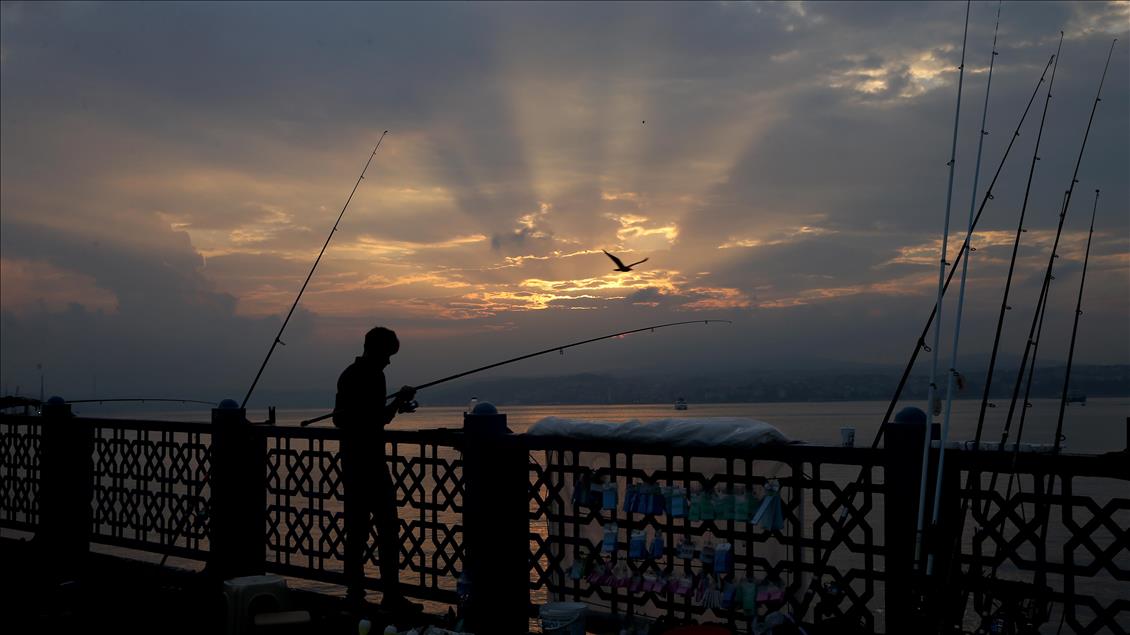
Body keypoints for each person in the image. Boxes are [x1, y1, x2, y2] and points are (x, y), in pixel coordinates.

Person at [334, 326, 421, 613]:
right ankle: (391, 596)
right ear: (377, 350)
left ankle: (356, 593)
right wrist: (398, 400)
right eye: (387, 355)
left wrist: (388, 406)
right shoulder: (373, 375)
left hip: (352, 462)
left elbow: (340, 419)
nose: (389, 361)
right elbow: (377, 419)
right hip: (369, 463)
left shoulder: (348, 374)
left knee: (357, 531)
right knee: (387, 530)